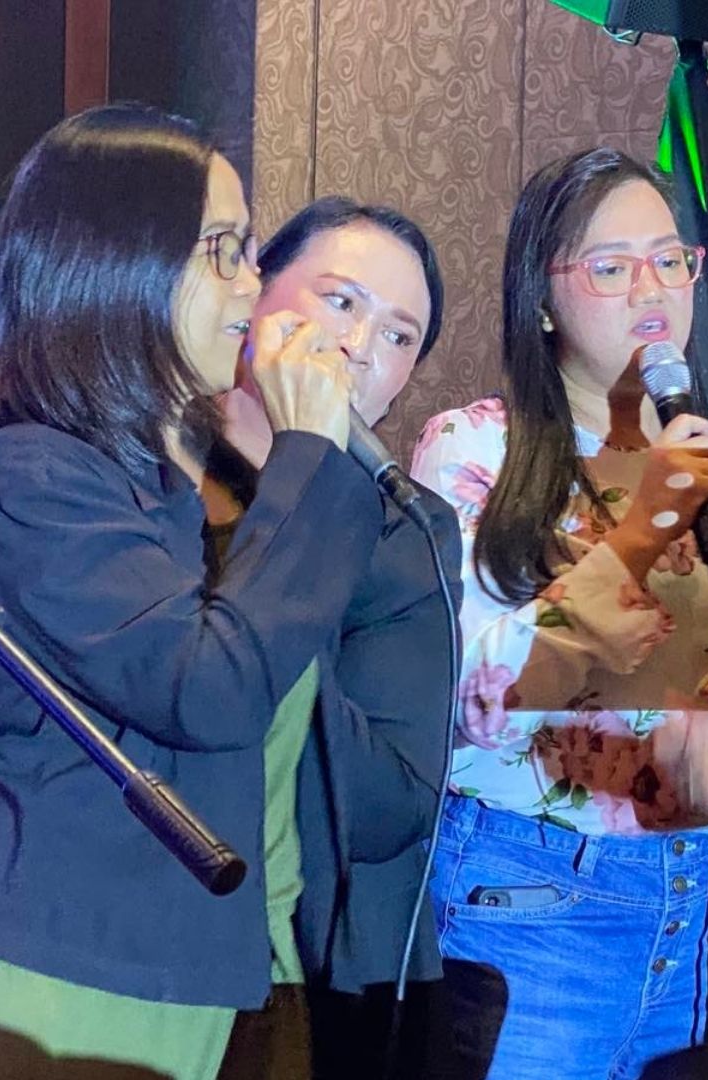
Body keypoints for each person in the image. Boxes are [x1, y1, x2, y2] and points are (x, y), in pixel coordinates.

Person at [0, 104, 384, 1080]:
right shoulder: (33, 477)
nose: (252, 283)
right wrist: (309, 452)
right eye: (223, 249)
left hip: (209, 974)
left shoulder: (195, 485)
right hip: (63, 973)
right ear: (118, 264)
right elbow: (207, 687)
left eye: (250, 250)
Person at [408, 147, 708, 1078]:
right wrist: (644, 525)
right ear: (543, 300)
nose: (651, 287)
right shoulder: (475, 448)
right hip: (530, 899)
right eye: (612, 266)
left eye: (670, 259)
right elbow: (477, 699)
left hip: (702, 902)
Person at [208, 196, 459, 1077]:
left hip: (331, 965)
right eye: (340, 300)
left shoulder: (404, 527)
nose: (357, 346)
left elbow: (394, 799)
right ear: (255, 293)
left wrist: (296, 537)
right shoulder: (152, 472)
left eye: (399, 336)